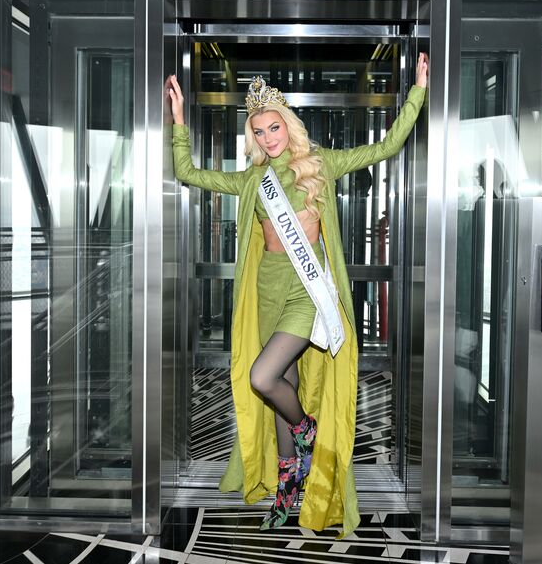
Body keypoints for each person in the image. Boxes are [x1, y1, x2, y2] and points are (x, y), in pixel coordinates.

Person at [166, 53, 428, 535]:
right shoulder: (252, 180)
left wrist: (417, 92)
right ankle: (289, 487)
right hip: (267, 288)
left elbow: (387, 147)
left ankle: (307, 431)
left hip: (306, 292)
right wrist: (179, 121)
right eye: (259, 132)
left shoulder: (321, 164)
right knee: (278, 388)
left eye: (274, 128)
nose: (268, 138)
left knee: (262, 377)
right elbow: (189, 174)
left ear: (288, 124)